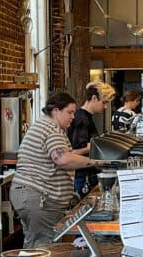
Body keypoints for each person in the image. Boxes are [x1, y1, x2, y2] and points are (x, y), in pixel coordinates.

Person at [11, 91, 103, 248]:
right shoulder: (51, 129)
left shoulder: (46, 126)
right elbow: (62, 159)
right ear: (55, 111)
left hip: (31, 196)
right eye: (70, 112)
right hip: (39, 197)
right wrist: (94, 162)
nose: (73, 116)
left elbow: (66, 154)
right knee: (43, 247)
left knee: (34, 244)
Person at [67, 82, 115, 197]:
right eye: (104, 102)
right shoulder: (82, 119)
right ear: (94, 98)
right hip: (83, 176)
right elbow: (75, 150)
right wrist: (97, 145)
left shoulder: (85, 117)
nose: (105, 106)